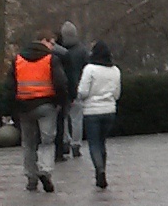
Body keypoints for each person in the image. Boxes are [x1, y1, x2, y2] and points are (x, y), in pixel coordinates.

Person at [9, 32, 63, 193]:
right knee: (48, 140)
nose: (53, 46)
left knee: (28, 143)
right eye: (51, 43)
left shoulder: (17, 60)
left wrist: (12, 108)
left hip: (24, 106)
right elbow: (60, 82)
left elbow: (10, 86)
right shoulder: (51, 59)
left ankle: (31, 178)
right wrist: (60, 102)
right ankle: (45, 171)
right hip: (46, 105)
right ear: (44, 42)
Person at [74, 39, 122, 188]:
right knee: (102, 142)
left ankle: (99, 170)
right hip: (109, 110)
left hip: (92, 111)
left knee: (94, 143)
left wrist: (81, 97)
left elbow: (82, 91)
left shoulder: (90, 69)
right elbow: (117, 93)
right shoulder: (115, 70)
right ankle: (103, 169)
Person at [50, 24, 87, 161]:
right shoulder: (82, 50)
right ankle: (76, 144)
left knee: (63, 118)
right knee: (77, 119)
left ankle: (65, 140)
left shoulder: (57, 51)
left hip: (61, 89)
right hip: (78, 87)